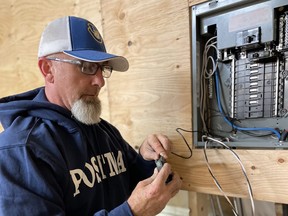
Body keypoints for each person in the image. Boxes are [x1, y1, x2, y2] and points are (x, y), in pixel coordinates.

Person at [0, 16, 182, 215]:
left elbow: (130, 184)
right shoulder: (20, 151)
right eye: (86, 67)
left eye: (102, 68)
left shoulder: (103, 130)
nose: (100, 81)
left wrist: (146, 160)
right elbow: (131, 207)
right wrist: (132, 213)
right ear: (48, 69)